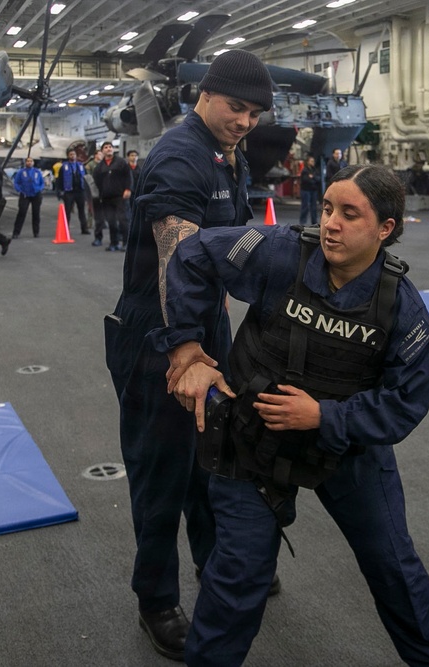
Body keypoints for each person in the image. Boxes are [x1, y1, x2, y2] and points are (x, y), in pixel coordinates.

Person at [155, 164, 429, 667]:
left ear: (385, 229)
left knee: (393, 566)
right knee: (237, 576)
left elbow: (406, 403)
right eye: (327, 208)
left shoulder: (400, 310)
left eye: (349, 214)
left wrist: (325, 417)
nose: (331, 223)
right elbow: (191, 253)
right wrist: (186, 350)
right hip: (251, 443)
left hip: (344, 450)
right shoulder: (278, 253)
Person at [102, 49, 278, 662]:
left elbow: (230, 246)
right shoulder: (180, 155)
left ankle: (214, 564)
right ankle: (155, 601)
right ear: (205, 95)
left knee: (214, 456)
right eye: (237, 107)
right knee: (161, 472)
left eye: (255, 113)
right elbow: (175, 252)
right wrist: (185, 347)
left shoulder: (226, 155)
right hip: (159, 333)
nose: (246, 120)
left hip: (202, 325)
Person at [92, 141, 132, 251]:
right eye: (106, 147)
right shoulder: (99, 167)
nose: (108, 149)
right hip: (106, 198)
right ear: (102, 151)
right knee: (111, 221)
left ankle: (126, 243)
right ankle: (114, 243)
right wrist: (100, 194)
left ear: (113, 149)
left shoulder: (121, 162)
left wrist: (128, 189)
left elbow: (128, 176)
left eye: (110, 147)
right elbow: (96, 181)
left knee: (124, 220)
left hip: (120, 196)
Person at [57, 149, 89, 235]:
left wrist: (86, 191)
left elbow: (86, 178)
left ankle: (84, 229)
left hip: (80, 191)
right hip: (69, 191)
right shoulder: (64, 166)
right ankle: (66, 230)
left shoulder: (81, 165)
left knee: (82, 211)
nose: (73, 156)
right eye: (71, 154)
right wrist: (60, 191)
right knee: (67, 211)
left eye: (74, 154)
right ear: (68, 156)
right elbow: (59, 180)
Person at [11, 156, 45, 238]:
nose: (29, 162)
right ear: (25, 162)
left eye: (31, 161)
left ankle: (36, 232)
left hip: (36, 194)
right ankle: (16, 232)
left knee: (36, 213)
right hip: (25, 195)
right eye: (28, 161)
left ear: (33, 162)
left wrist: (39, 189)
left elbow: (41, 183)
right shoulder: (21, 172)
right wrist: (19, 190)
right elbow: (16, 182)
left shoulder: (37, 172)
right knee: (21, 213)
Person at [298, 155, 320, 225]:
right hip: (305, 190)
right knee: (305, 206)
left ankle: (314, 222)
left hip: (313, 190)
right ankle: (302, 222)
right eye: (311, 161)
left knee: (314, 207)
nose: (313, 162)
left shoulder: (315, 170)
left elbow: (318, 179)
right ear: (307, 162)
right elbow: (305, 180)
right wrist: (314, 179)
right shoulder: (305, 170)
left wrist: (312, 177)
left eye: (313, 161)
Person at [125, 149, 141, 222]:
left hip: (137, 192)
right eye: (132, 155)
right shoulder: (125, 168)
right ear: (128, 157)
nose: (134, 157)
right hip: (128, 191)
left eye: (135, 155)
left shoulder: (140, 169)